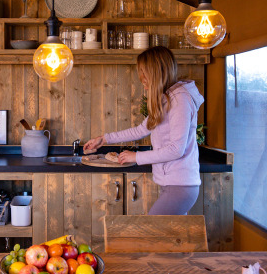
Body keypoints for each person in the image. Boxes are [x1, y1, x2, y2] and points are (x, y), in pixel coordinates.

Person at [83, 46, 204, 215]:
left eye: (144, 75)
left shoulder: (180, 100)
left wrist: (136, 157)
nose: (142, 81)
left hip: (181, 186)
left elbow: (176, 149)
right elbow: (140, 130)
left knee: (148, 235)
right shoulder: (167, 98)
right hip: (173, 185)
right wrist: (103, 139)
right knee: (168, 239)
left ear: (156, 73)